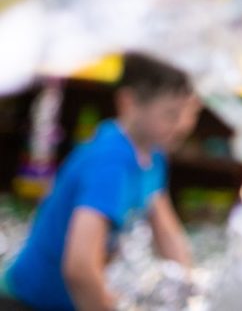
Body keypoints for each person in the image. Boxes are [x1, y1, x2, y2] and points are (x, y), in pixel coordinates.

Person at [3, 52, 195, 311]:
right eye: (171, 114)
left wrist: (189, 286)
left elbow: (166, 230)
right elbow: (80, 268)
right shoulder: (110, 163)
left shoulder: (152, 154)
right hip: (27, 302)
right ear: (128, 103)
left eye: (192, 111)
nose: (184, 125)